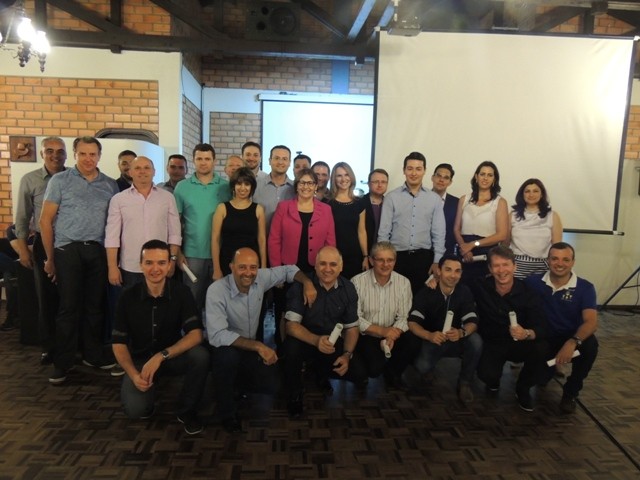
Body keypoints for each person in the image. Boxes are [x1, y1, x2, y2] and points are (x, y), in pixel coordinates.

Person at [206, 247, 316, 432]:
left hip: (249, 350)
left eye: (253, 267)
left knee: (274, 385)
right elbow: (217, 335)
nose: (248, 272)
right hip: (226, 348)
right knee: (227, 359)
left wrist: (307, 282)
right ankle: (227, 413)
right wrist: (258, 346)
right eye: (242, 267)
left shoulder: (260, 278)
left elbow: (289, 270)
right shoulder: (216, 290)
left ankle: (237, 383)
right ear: (231, 267)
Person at [40, 136, 119, 384]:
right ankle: (62, 362)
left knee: (95, 307)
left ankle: (92, 355)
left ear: (99, 156)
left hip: (97, 250)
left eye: (92, 154)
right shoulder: (60, 180)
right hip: (68, 250)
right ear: (75, 155)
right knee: (68, 308)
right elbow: (45, 220)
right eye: (83, 154)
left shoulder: (110, 185)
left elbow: (115, 223)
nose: (88, 159)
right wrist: (50, 258)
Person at [112, 240, 209, 435]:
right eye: (149, 263)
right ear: (141, 265)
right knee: (136, 411)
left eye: (161, 263)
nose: (155, 269)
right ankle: (148, 391)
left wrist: (161, 356)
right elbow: (118, 343)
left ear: (169, 265)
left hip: (170, 356)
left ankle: (187, 411)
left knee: (201, 356)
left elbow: (196, 334)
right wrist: (133, 374)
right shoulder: (127, 297)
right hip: (140, 360)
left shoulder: (181, 292)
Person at [283, 246, 367, 417]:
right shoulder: (302, 285)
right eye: (322, 264)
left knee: (359, 373)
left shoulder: (349, 288)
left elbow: (352, 327)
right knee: (291, 349)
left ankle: (321, 375)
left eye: (333, 264)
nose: (327, 269)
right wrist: (316, 340)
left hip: (330, 340)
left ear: (341, 267)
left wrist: (347, 355)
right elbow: (290, 326)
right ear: (315, 265)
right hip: (304, 338)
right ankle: (295, 393)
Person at [471, 245, 548, 411]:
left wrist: (526, 333)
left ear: (515, 266)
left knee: (541, 348)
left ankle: (523, 388)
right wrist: (435, 278)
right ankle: (493, 379)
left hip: (520, 342)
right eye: (496, 265)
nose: (501, 270)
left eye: (505, 264)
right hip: (493, 343)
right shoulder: (480, 286)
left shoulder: (528, 292)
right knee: (486, 376)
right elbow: (455, 285)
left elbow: (541, 327)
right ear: (490, 269)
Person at [525, 242, 598, 414]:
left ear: (573, 262)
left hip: (570, 340)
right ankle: (545, 372)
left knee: (590, 346)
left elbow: (591, 322)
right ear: (548, 261)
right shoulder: (532, 282)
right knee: (540, 377)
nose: (560, 264)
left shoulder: (585, 288)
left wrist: (572, 342)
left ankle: (570, 393)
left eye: (566, 259)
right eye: (555, 259)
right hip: (543, 339)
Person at [268, 168, 336, 347]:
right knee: (283, 310)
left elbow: (330, 242)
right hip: (286, 269)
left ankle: (305, 349)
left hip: (315, 270)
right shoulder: (283, 207)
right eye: (302, 182)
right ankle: (282, 349)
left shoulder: (326, 210)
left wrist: (328, 269)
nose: (306, 186)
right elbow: (274, 240)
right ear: (296, 186)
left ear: (315, 186)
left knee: (310, 310)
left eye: (310, 183)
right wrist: (277, 272)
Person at [14, 136, 66, 363]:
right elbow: (23, 216)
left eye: (60, 151)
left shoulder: (73, 177)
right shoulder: (30, 179)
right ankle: (49, 346)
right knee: (46, 298)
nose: (55, 155)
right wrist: (23, 249)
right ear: (42, 153)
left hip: (68, 244)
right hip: (43, 244)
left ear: (66, 154)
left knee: (70, 297)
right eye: (50, 151)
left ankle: (72, 344)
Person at [406, 254, 482, 403]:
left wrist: (462, 332)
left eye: (457, 271)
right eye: (448, 270)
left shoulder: (464, 291)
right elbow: (412, 322)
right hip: (432, 340)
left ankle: (465, 382)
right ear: (439, 271)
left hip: (456, 339)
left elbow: (472, 320)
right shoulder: (426, 292)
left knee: (476, 341)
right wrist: (429, 335)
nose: (453, 275)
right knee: (422, 366)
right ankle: (427, 371)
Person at [105, 156, 181, 289]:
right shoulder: (118, 200)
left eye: (147, 168)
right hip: (130, 267)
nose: (142, 171)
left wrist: (172, 261)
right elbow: (112, 237)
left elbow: (175, 233)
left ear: (154, 172)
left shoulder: (167, 198)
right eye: (137, 168)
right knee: (131, 302)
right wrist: (112, 267)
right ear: (130, 172)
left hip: (160, 265)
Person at [378, 151, 446, 294]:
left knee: (421, 300)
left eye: (418, 169)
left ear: (424, 171)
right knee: (395, 298)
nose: (414, 173)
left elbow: (439, 233)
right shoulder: (391, 197)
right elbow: (384, 232)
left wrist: (437, 261)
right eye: (410, 168)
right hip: (397, 258)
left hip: (424, 259)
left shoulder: (434, 199)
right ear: (404, 170)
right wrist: (384, 259)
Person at [174, 143, 231, 310]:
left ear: (214, 161)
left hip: (220, 254)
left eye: (207, 159)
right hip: (192, 255)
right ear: (193, 160)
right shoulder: (182, 187)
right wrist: (177, 252)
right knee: (192, 303)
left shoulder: (226, 187)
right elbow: (175, 222)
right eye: (199, 158)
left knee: (219, 304)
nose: (203, 162)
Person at [351, 241, 413, 387]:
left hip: (392, 331)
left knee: (413, 340)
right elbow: (354, 318)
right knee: (374, 370)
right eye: (380, 260)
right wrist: (382, 331)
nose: (385, 264)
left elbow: (403, 316)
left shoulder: (404, 283)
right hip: (367, 334)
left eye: (390, 260)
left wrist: (392, 334)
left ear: (395, 261)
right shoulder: (357, 282)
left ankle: (393, 373)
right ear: (371, 260)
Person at [453, 161, 509, 284]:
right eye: (482, 174)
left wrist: (473, 244)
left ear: (494, 179)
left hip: (486, 253)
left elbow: (502, 235)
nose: (485, 178)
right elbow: (456, 228)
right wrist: (464, 247)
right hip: (464, 252)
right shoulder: (464, 199)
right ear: (476, 176)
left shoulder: (500, 202)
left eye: (490, 175)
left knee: (484, 290)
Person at [212, 167, 266, 280]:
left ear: (252, 187)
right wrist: (216, 269)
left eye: (247, 184)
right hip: (227, 261)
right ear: (233, 186)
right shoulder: (222, 208)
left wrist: (264, 267)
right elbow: (215, 240)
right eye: (239, 184)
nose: (242, 188)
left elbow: (262, 240)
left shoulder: (258, 209)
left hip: (251, 263)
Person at [510, 178, 563, 279]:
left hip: (542, 266)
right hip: (517, 266)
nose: (531, 194)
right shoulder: (512, 215)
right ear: (522, 194)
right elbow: (505, 244)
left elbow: (556, 246)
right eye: (527, 191)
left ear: (541, 194)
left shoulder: (552, 216)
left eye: (535, 191)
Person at [328, 162, 368, 279]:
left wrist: (365, 256)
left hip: (355, 256)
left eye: (346, 175)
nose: (343, 179)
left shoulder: (359, 203)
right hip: (334, 256)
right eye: (339, 176)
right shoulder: (327, 203)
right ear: (334, 179)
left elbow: (361, 231)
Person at [253, 145, 296, 232]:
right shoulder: (255, 185)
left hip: (288, 238)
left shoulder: (296, 189)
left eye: (284, 159)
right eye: (276, 158)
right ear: (269, 161)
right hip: (259, 237)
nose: (280, 162)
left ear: (289, 163)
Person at [431, 163, 459, 256]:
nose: (441, 180)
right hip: (423, 252)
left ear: (450, 182)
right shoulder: (421, 199)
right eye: (438, 176)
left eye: (446, 178)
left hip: (447, 253)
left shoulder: (457, 203)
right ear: (432, 178)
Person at [362, 169, 388, 255]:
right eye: (376, 182)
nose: (380, 185)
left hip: (384, 253)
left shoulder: (390, 203)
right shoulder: (360, 203)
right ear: (369, 184)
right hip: (364, 253)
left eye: (383, 182)